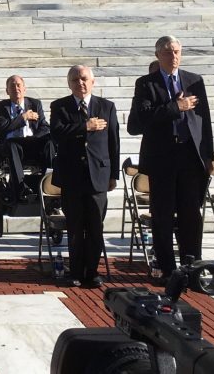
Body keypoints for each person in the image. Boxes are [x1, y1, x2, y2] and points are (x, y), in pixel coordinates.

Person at [127, 36, 214, 277]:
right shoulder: (147, 84)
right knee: (163, 215)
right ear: (158, 55)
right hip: (162, 157)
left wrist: (208, 155)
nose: (173, 56)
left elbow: (204, 121)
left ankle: (192, 264)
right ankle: (166, 267)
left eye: (176, 51)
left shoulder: (194, 81)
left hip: (190, 155)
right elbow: (140, 120)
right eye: (167, 52)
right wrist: (176, 107)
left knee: (191, 214)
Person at [50, 65, 119, 288]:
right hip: (72, 176)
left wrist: (113, 174)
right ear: (68, 84)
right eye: (75, 80)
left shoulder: (106, 106)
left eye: (84, 79)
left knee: (96, 227)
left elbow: (113, 142)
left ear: (92, 81)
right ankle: (76, 271)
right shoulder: (59, 106)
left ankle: (92, 271)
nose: (80, 83)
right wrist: (84, 126)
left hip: (99, 175)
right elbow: (56, 134)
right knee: (76, 227)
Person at [0, 74, 51, 202]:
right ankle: (20, 187)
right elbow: (2, 128)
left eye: (18, 85)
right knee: (12, 145)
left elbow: (45, 127)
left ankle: (51, 184)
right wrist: (23, 117)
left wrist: (35, 138)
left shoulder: (35, 104)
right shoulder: (0, 107)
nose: (16, 88)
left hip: (33, 142)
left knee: (50, 142)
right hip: (13, 145)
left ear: (24, 89)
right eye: (12, 86)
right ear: (7, 91)